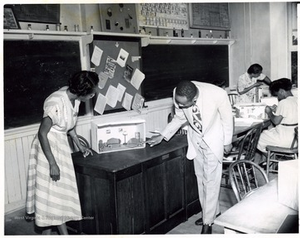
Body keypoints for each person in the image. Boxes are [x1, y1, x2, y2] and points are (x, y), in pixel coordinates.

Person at [147, 80, 233, 234]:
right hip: (196, 140)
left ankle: (208, 222)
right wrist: (163, 134)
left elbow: (227, 119)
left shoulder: (218, 94)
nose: (179, 106)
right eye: (178, 104)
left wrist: (227, 142)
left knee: (211, 181)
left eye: (183, 105)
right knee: (201, 179)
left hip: (214, 138)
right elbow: (180, 117)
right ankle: (212, 212)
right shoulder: (178, 93)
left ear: (194, 99)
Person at [25, 70, 99, 235]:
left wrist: (81, 146)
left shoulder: (74, 99)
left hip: (61, 145)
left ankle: (47, 230)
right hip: (48, 148)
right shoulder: (55, 102)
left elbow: (69, 127)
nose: (92, 97)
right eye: (92, 94)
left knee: (57, 192)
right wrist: (52, 163)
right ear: (82, 92)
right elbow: (42, 133)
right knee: (54, 192)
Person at [257, 78, 298, 153]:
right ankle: (269, 159)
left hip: (285, 139)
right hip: (295, 139)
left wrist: (269, 112)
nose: (277, 97)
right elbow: (289, 114)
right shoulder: (296, 100)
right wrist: (277, 110)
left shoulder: (284, 102)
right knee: (267, 133)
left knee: (257, 138)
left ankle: (269, 159)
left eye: (277, 95)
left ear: (282, 91)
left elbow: (276, 121)